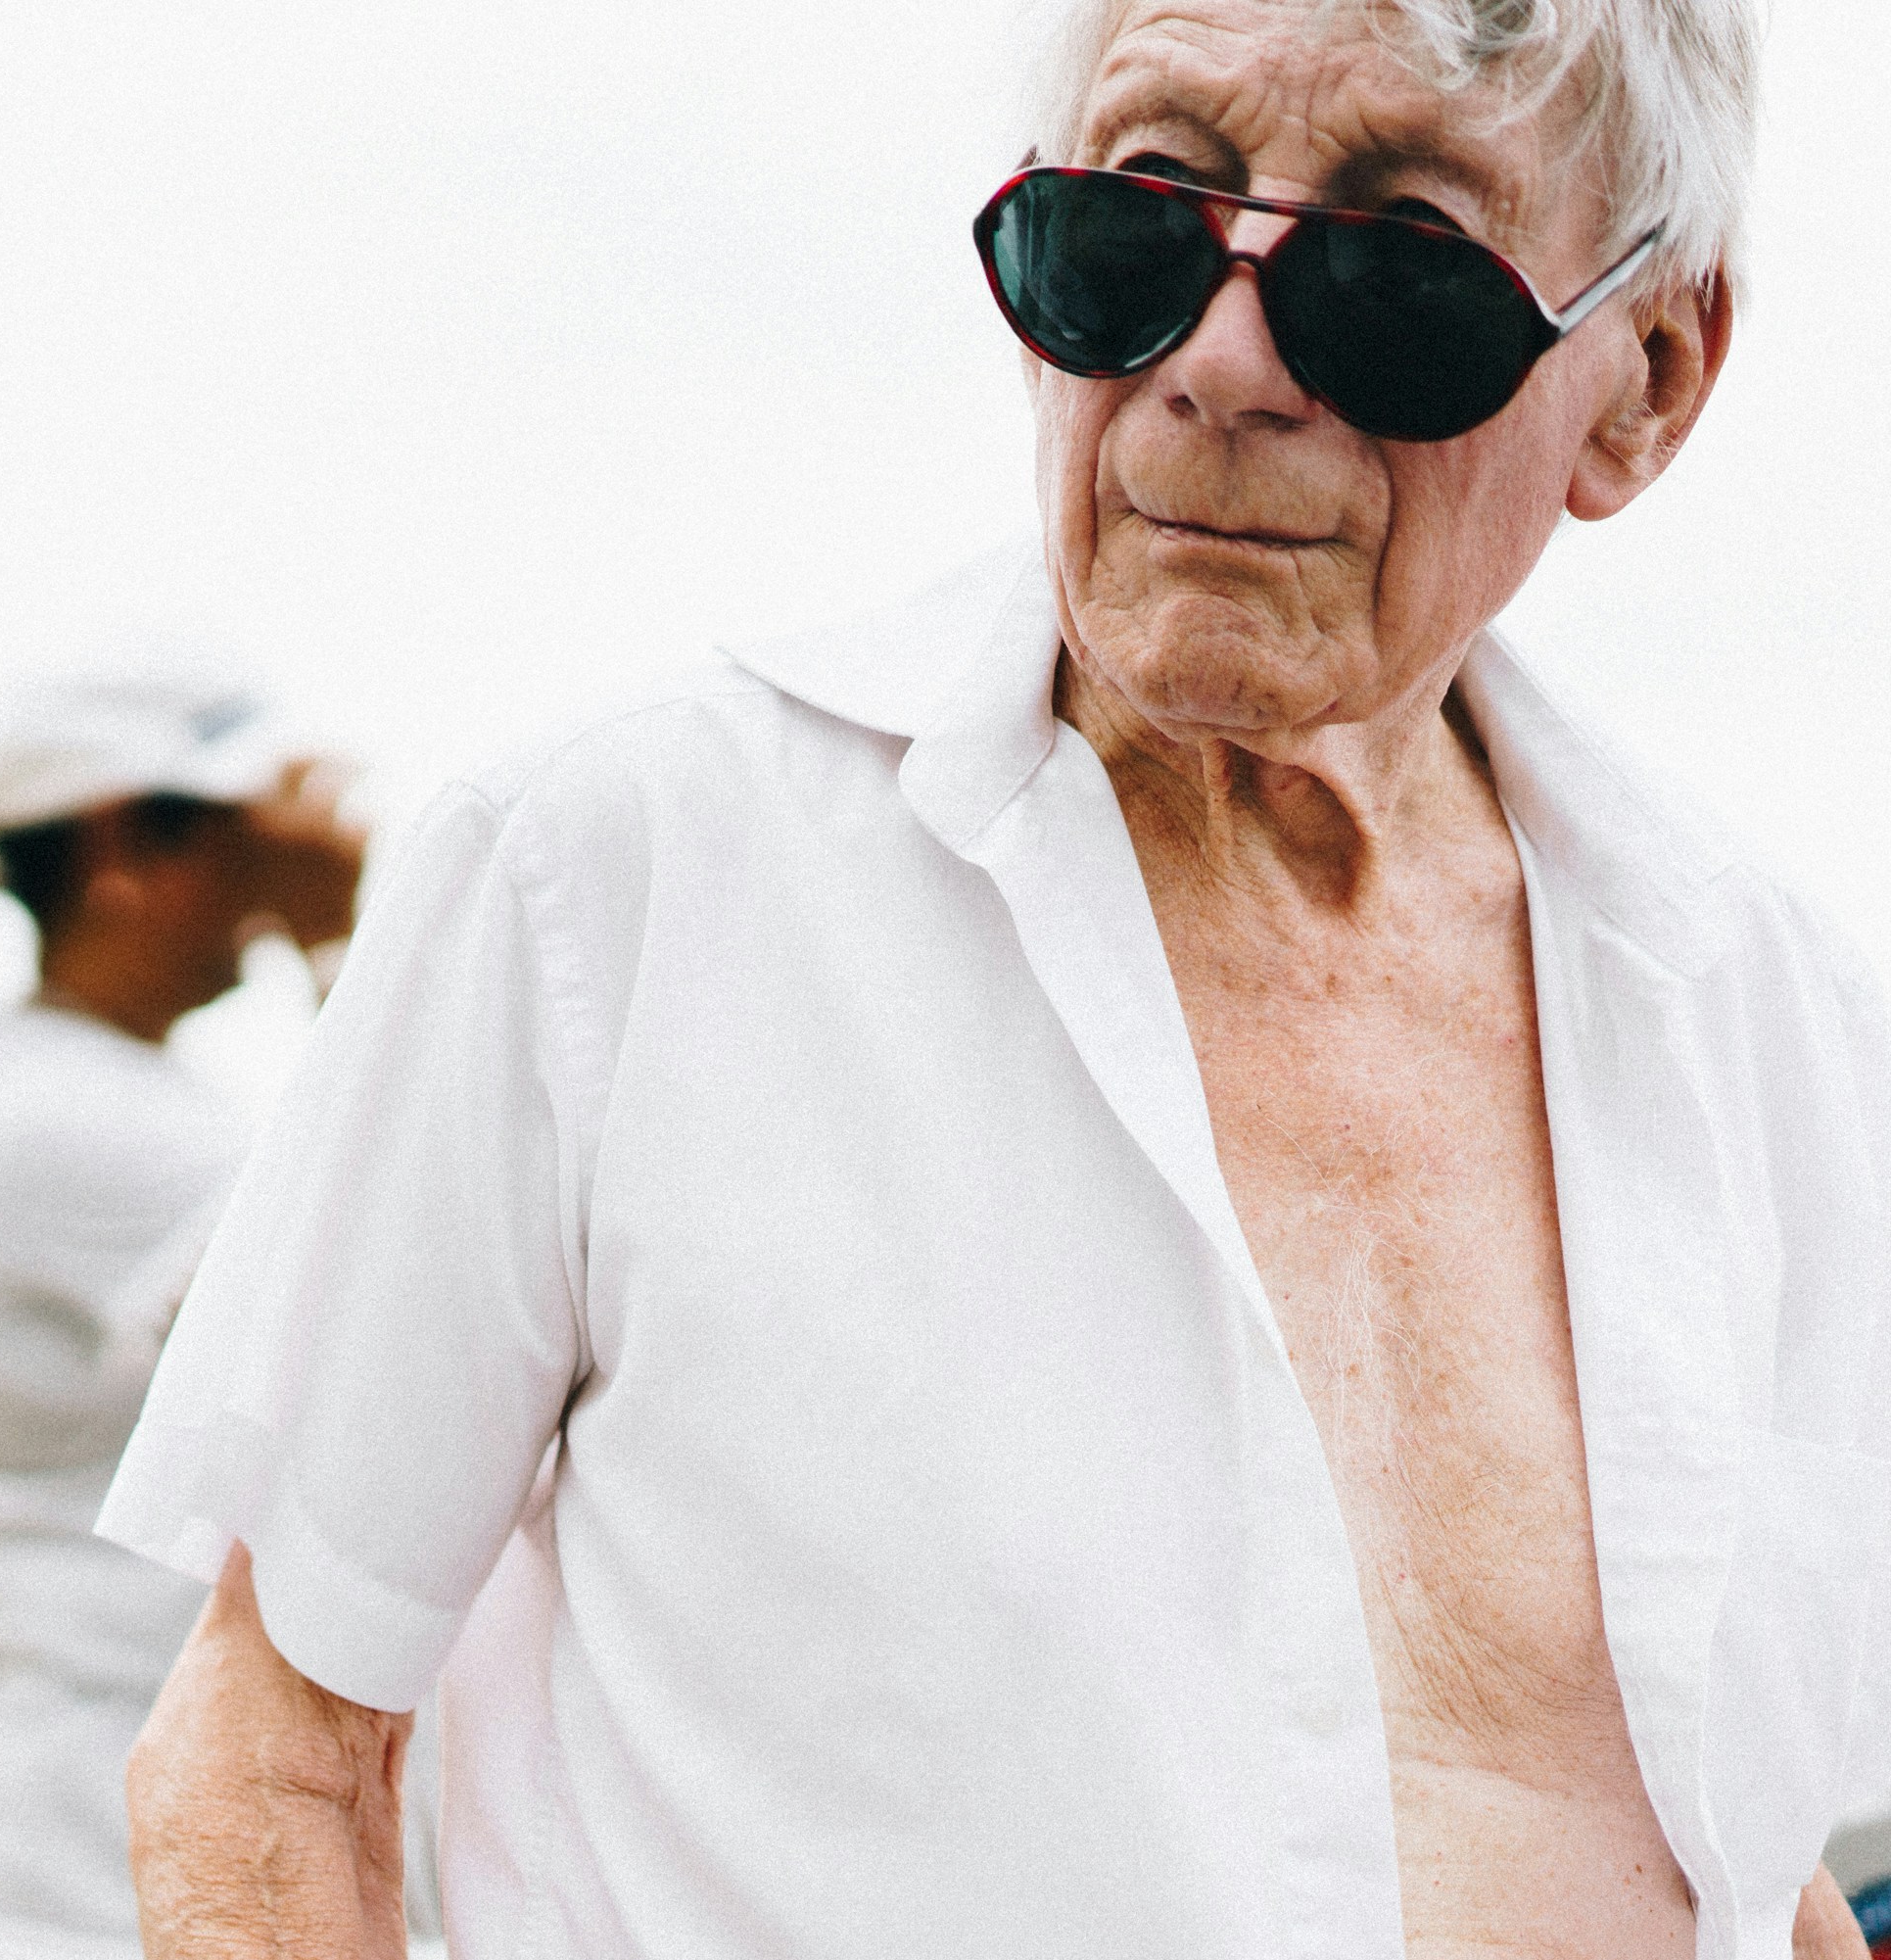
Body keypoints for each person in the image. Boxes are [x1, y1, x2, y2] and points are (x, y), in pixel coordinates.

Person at [99, 2, 1889, 1954]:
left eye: (1395, 274)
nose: (1218, 368)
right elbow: (273, 1745)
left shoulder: (1770, 1015)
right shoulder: (605, 875)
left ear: (1648, 379)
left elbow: (1689, 1833)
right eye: (1131, 230)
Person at [0, 675, 378, 1960]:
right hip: (94, 1879)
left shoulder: (82, 1094)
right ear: (122, 846)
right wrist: (347, 949)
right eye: (235, 838)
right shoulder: (54, 1119)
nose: (264, 877)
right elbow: (384, 1287)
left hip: (101, 1861)